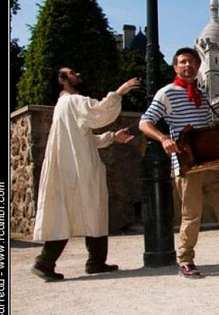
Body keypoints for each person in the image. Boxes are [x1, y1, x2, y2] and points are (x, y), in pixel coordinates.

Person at [139, 47, 219, 278]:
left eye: (192, 62)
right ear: (176, 67)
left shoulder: (202, 94)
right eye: (183, 62)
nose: (188, 66)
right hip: (186, 167)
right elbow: (145, 122)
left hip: (210, 165)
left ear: (197, 67)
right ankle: (185, 260)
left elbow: (206, 129)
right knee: (191, 215)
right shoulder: (167, 93)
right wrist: (164, 138)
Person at [31, 68, 140, 281]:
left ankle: (93, 262)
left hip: (72, 166)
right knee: (88, 209)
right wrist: (121, 90)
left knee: (82, 211)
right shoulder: (73, 102)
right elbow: (99, 112)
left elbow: (85, 138)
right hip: (78, 168)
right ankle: (46, 262)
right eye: (71, 73)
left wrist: (111, 137)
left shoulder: (63, 105)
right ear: (62, 80)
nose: (78, 74)